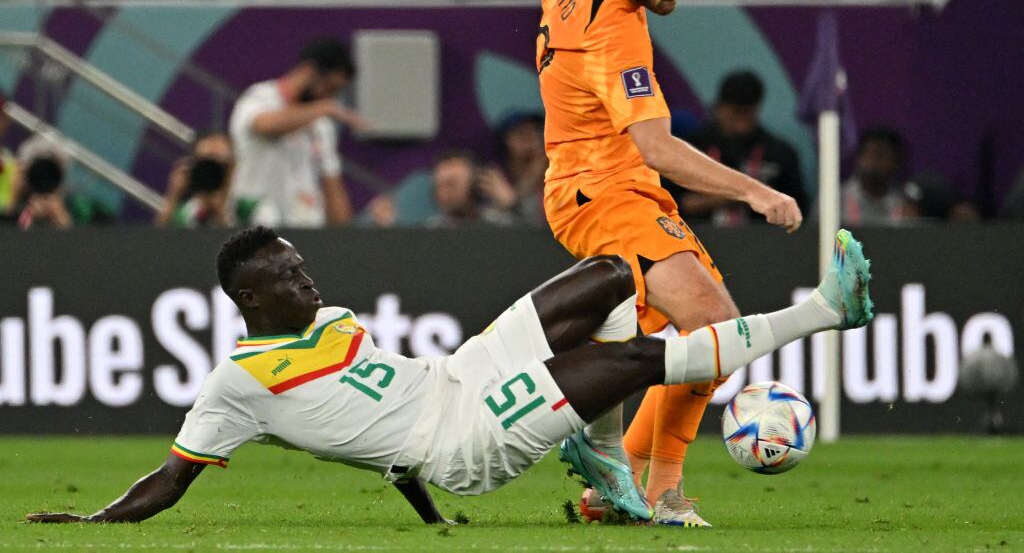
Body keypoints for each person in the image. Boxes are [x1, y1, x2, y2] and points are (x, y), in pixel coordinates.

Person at [321, 0, 803, 526]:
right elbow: (656, 146)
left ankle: (614, 489)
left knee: (706, 336)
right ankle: (662, 492)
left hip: (611, 190)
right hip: (600, 191)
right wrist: (755, 190)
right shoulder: (618, 37)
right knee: (715, 325)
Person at [24, 226, 874, 526]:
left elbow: (374, 437)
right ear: (251, 296)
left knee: (617, 273)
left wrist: (425, 519)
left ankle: (611, 474)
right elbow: (174, 477)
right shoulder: (234, 387)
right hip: (468, 442)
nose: (309, 279)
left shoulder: (329, 322)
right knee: (638, 359)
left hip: (461, 374)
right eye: (290, 274)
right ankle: (824, 309)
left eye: (305, 263)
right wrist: (94, 519)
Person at [228, 38, 366, 228]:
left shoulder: (321, 124)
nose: (329, 97)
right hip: (255, 229)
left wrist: (346, 239)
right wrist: (323, 108)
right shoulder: (259, 98)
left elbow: (332, 185)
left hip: (304, 233)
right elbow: (266, 126)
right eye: (329, 88)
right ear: (309, 71)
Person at [668, 70, 808, 227]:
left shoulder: (780, 153)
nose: (741, 121)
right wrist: (734, 194)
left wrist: (760, 197)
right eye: (735, 112)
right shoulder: (692, 146)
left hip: (762, 242)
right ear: (719, 107)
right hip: (696, 238)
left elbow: (797, 210)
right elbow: (668, 204)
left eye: (748, 112)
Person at [156, 131, 253, 228]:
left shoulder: (250, 210)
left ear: (233, 168)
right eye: (206, 164)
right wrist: (172, 198)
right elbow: (155, 241)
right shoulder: (184, 215)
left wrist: (221, 214)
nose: (211, 172)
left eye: (219, 165)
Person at [478, 111, 547, 225]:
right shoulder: (493, 179)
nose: (530, 137)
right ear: (505, 141)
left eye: (534, 131)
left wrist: (512, 202)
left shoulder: (551, 174)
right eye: (521, 133)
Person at [838, 126, 907, 226]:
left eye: (881, 156)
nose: (874, 162)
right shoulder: (835, 200)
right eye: (869, 154)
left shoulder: (905, 203)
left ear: (896, 162)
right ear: (859, 158)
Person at [427, 149, 512, 228]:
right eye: (441, 185)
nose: (445, 192)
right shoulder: (430, 229)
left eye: (452, 184)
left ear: (475, 186)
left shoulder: (497, 224)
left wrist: (512, 204)